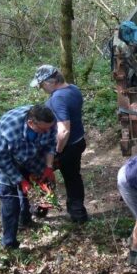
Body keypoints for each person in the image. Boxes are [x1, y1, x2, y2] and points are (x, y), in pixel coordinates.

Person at [0, 104, 58, 250]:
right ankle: (9, 244)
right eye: (43, 130)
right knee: (11, 204)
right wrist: (21, 181)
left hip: (27, 158)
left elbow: (51, 144)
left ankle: (25, 220)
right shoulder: (8, 133)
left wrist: (48, 167)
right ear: (31, 123)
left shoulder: (49, 122)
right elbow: (1, 161)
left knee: (28, 192)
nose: (47, 131)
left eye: (49, 128)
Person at [30, 65, 88, 223]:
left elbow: (63, 130)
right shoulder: (73, 89)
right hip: (78, 142)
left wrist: (57, 150)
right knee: (73, 177)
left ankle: (40, 210)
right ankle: (78, 214)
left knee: (43, 174)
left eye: (42, 85)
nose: (42, 89)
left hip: (65, 146)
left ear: (51, 82)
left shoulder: (58, 98)